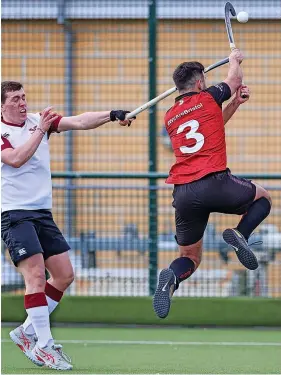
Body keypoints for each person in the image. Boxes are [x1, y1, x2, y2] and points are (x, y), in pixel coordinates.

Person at [1, 80, 134, 370]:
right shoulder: (8, 132)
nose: (23, 103)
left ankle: (26, 331)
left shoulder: (39, 121)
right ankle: (44, 346)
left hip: (42, 214)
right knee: (35, 275)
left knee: (63, 275)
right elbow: (15, 159)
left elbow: (80, 121)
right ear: (2, 106)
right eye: (15, 99)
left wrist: (112, 114)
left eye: (24, 97)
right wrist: (40, 129)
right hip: (14, 214)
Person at [153, 49, 272, 319]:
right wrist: (234, 61)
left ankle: (172, 276)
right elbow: (234, 80)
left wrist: (235, 104)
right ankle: (241, 234)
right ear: (199, 83)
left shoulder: (170, 116)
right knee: (263, 198)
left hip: (183, 193)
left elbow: (212, 126)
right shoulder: (207, 97)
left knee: (191, 257)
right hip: (214, 182)